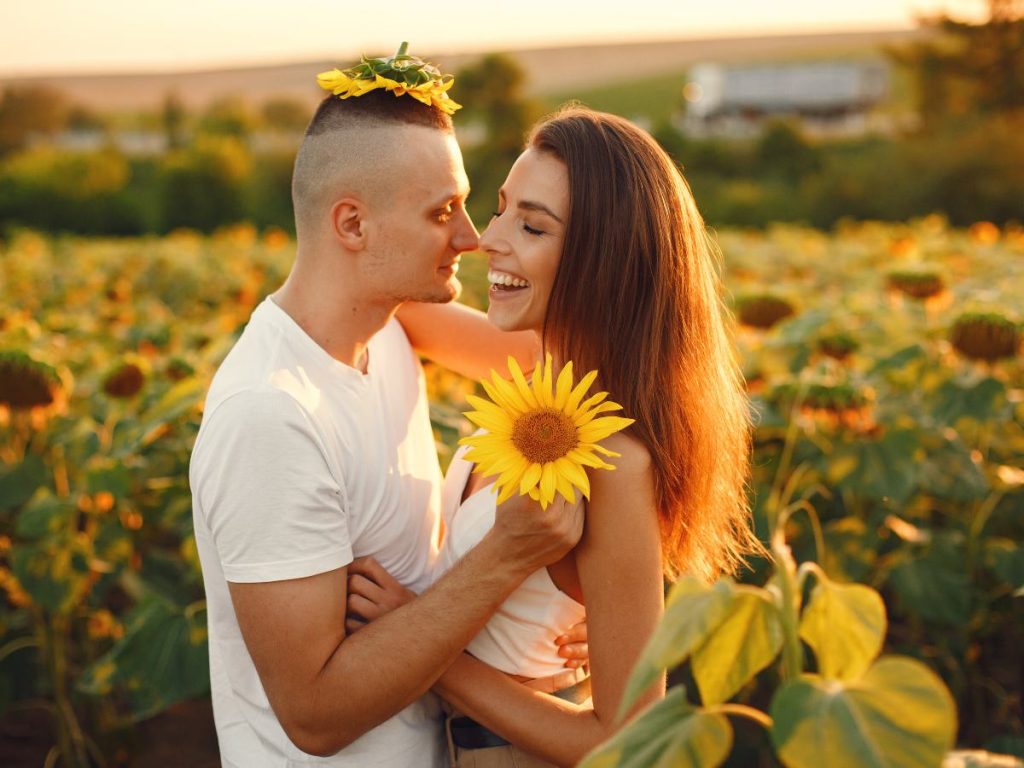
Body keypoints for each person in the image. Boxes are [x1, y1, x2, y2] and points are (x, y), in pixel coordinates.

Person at [189, 48, 589, 767]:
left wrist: (613, 601)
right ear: (352, 225)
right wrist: (505, 558)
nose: (471, 237)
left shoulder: (391, 324)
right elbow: (314, 716)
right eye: (442, 211)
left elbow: (596, 375)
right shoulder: (269, 418)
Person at [347, 106, 759, 767]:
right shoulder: (541, 375)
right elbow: (404, 307)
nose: (489, 238)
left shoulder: (613, 460)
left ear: (605, 259)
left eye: (532, 225)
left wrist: (415, 639)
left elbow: (627, 743)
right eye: (503, 207)